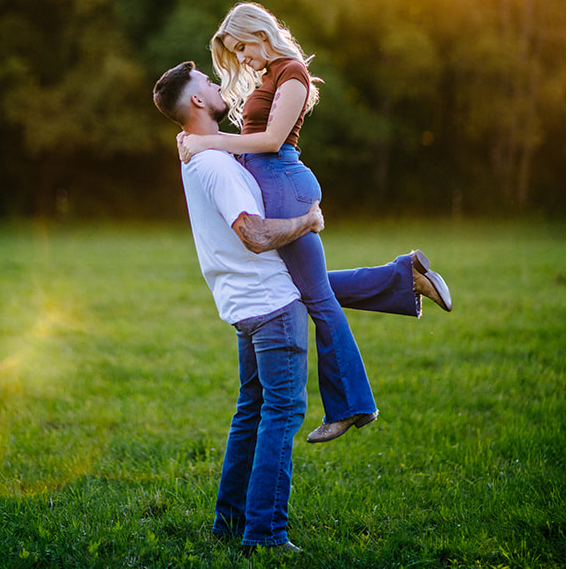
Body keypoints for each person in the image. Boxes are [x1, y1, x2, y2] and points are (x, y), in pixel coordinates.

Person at [153, 61, 452, 552]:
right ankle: (266, 534)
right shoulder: (216, 165)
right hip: (272, 308)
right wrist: (307, 221)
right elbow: (253, 234)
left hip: (247, 305)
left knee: (251, 411)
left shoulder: (200, 156)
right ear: (198, 103)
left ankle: (228, 524)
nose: (215, 82)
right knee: (281, 413)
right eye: (208, 82)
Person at [177, 2, 451, 444]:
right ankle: (405, 278)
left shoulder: (292, 76)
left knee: (317, 298)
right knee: (307, 289)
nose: (242, 58)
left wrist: (206, 140)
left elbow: (269, 140)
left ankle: (351, 406)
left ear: (262, 33)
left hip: (285, 183)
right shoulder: (269, 75)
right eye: (234, 52)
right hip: (271, 184)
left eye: (243, 47)